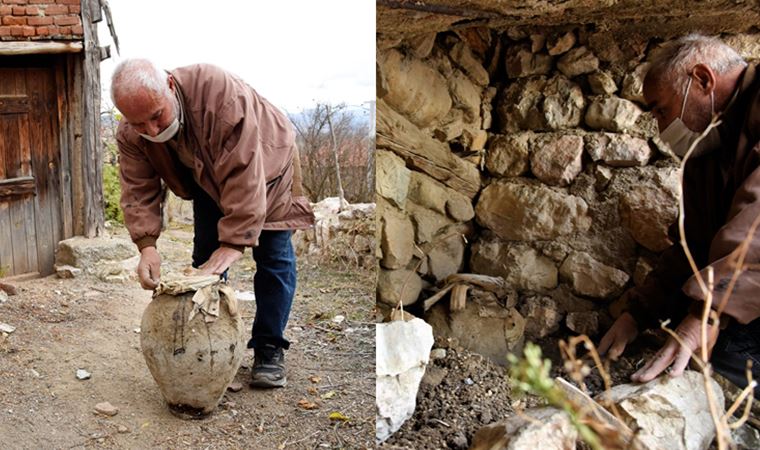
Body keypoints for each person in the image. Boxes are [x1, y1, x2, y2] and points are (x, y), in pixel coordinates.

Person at [111, 59, 315, 389]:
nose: (151, 130)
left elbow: (245, 170)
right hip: (206, 178)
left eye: (157, 115)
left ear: (171, 88)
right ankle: (210, 347)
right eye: (139, 123)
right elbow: (138, 188)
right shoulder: (131, 133)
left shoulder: (220, 95)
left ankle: (269, 348)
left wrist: (234, 243)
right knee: (206, 260)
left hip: (268, 166)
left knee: (273, 256)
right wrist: (146, 247)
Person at [598, 34, 760, 394]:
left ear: (702, 80)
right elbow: (693, 245)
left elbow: (756, 227)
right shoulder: (708, 148)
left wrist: (707, 315)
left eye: (661, 110)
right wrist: (637, 315)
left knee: (726, 355)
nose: (659, 128)